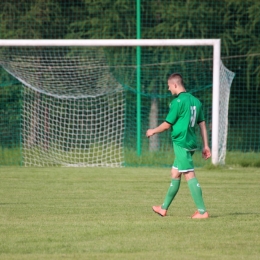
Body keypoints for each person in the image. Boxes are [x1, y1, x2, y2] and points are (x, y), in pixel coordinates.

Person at [146, 73, 211, 219]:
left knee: (189, 174)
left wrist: (153, 131)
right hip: (191, 143)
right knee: (175, 173)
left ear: (175, 85)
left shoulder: (177, 102)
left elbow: (167, 125)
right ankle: (163, 209)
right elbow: (202, 124)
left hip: (181, 143)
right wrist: (206, 145)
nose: (169, 89)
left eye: (169, 86)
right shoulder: (196, 101)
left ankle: (202, 212)